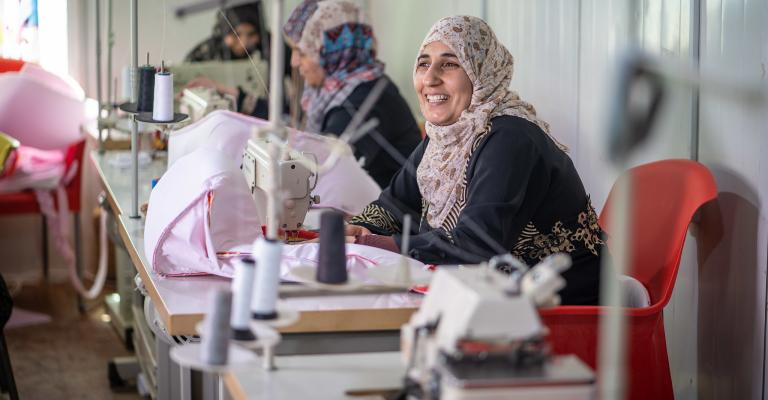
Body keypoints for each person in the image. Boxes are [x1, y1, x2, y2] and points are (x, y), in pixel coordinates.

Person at [346, 16, 604, 305]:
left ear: (481, 71)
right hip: (496, 294)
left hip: (565, 305)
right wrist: (360, 229)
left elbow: (477, 243)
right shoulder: (449, 135)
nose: (430, 79)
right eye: (423, 64)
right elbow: (394, 205)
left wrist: (379, 243)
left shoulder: (510, 137)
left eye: (449, 64)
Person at [277, 0, 422, 188]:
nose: (294, 62)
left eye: (302, 53)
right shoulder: (327, 91)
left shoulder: (366, 99)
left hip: (393, 205)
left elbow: (324, 169)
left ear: (332, 52)